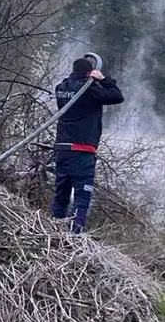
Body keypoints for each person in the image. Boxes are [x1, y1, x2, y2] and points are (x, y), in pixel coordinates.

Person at [51, 56, 123, 233]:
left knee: (61, 195)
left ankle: (52, 232)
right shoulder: (89, 90)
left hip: (62, 150)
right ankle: (74, 237)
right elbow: (116, 96)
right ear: (89, 73)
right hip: (81, 151)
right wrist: (103, 79)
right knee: (82, 198)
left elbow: (70, 85)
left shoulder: (61, 87)